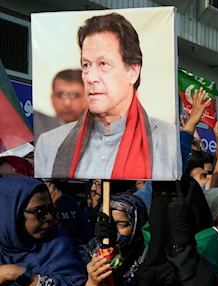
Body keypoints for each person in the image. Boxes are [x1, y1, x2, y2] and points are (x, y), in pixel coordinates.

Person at [35, 12, 178, 179]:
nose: (91, 77)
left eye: (103, 64)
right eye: (86, 65)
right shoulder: (50, 144)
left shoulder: (170, 143)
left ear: (133, 71)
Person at [0, 176, 91, 286]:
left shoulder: (59, 245)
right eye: (39, 212)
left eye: (50, 210)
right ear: (11, 213)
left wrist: (21, 275)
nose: (49, 218)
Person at [33, 69, 88, 143]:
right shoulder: (36, 127)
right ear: (52, 98)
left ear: (87, 98)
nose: (67, 103)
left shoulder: (98, 132)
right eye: (60, 95)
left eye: (74, 95)